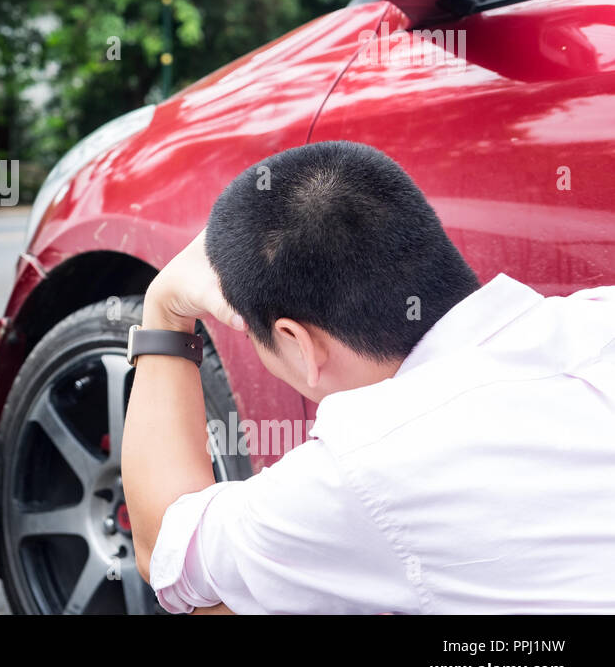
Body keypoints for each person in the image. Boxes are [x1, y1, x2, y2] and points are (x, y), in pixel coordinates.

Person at [122, 140, 615, 614]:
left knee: (230, 602)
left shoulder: (359, 471)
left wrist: (164, 309)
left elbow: (165, 548)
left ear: (297, 342)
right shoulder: (599, 312)